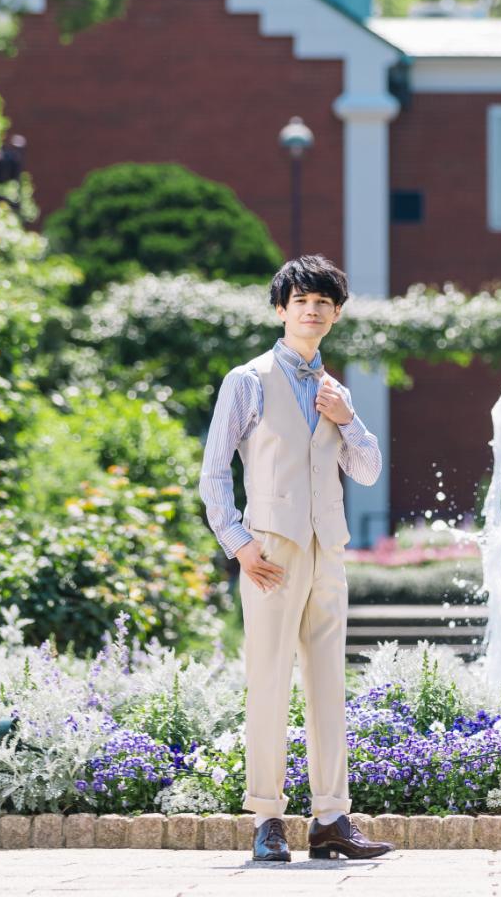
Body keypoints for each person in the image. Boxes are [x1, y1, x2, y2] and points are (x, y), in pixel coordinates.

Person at [199, 255, 394, 863]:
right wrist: (239, 543)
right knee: (268, 684)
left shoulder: (338, 392)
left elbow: (367, 470)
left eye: (323, 304)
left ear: (334, 316)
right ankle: (267, 820)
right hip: (271, 553)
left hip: (326, 551)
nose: (312, 311)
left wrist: (350, 418)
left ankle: (332, 819)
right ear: (281, 309)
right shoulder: (248, 380)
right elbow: (213, 474)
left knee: (329, 686)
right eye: (301, 301)